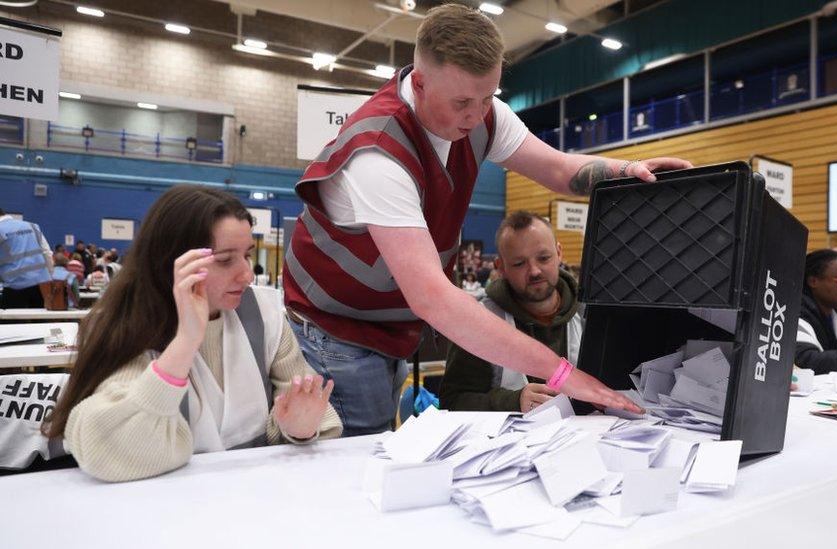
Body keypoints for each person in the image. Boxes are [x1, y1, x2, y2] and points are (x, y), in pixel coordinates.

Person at [284, 4, 686, 434]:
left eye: (487, 97)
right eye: (462, 102)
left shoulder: (481, 114)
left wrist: (629, 169)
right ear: (419, 83)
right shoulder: (377, 155)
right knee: (359, 461)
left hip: (388, 330)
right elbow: (433, 298)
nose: (476, 116)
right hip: (336, 332)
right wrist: (564, 374)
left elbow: (557, 169)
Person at [44, 186, 342, 482]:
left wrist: (297, 429)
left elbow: (317, 417)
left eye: (247, 256)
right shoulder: (129, 326)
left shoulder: (263, 314)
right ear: (174, 263)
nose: (247, 275)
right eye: (225, 260)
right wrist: (186, 340)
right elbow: (108, 451)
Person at [441, 211, 582, 412]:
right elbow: (453, 402)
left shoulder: (591, 315)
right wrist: (512, 402)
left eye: (543, 258)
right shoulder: (478, 323)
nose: (534, 271)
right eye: (519, 263)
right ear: (501, 268)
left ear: (559, 253)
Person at [0, 208, 54, 308]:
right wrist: (50, 279)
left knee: (12, 323)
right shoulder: (32, 226)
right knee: (41, 322)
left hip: (14, 288)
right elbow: (47, 253)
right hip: (41, 287)